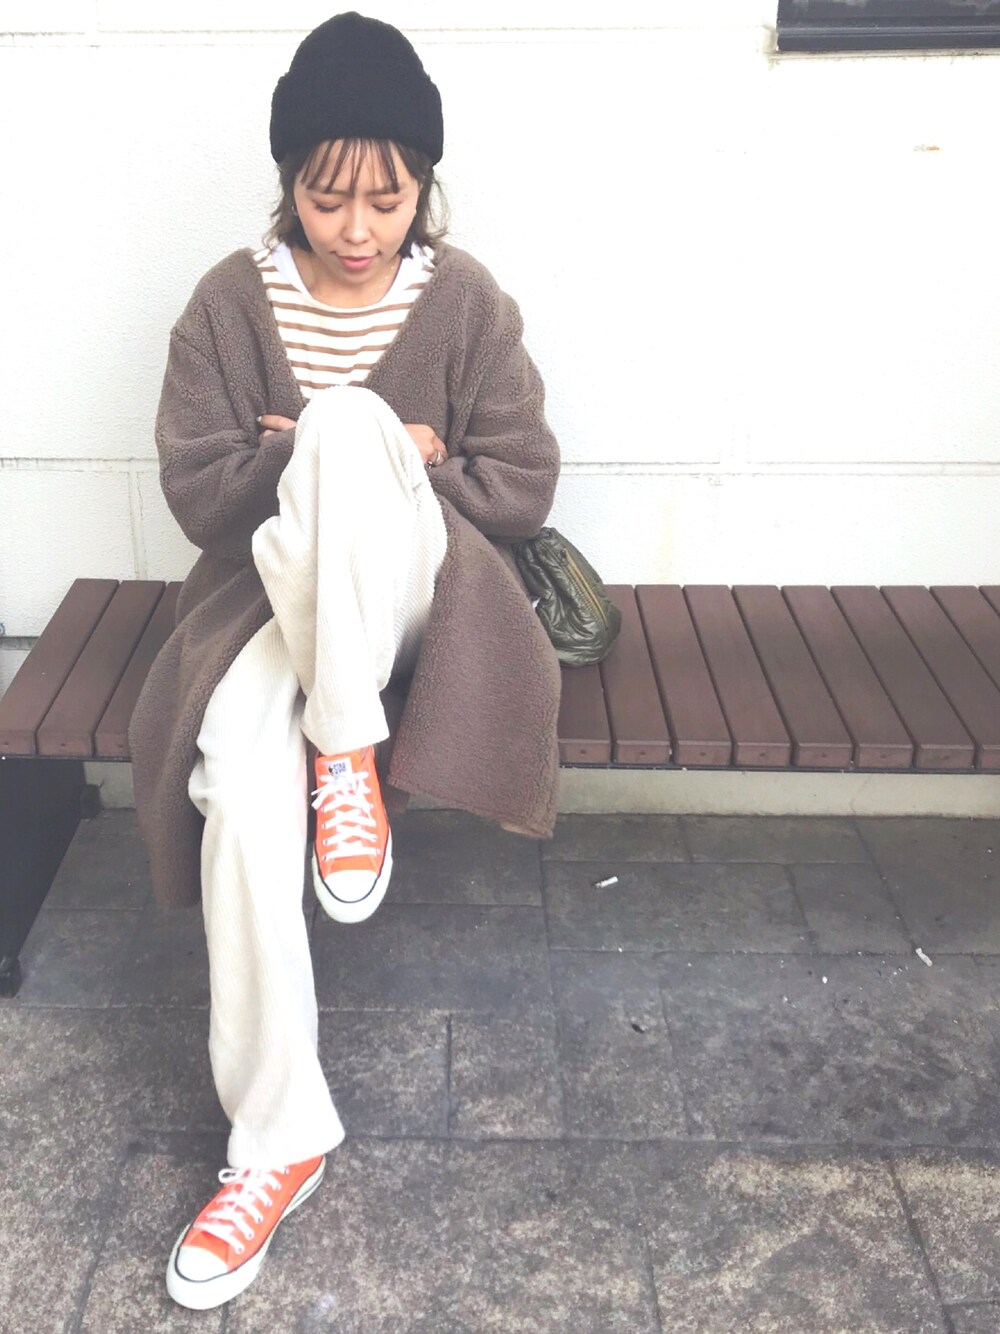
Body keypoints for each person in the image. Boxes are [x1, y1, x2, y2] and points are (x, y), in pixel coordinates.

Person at [127, 10, 562, 1311]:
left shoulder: (465, 302)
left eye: (389, 197)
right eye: (329, 199)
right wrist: (301, 457)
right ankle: (277, 1138)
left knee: (351, 427)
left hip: (422, 609)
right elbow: (200, 496)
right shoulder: (228, 303)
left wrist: (388, 454)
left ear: (425, 186)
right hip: (274, 607)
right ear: (289, 185)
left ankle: (346, 745)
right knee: (234, 777)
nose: (359, 228)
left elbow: (522, 484)